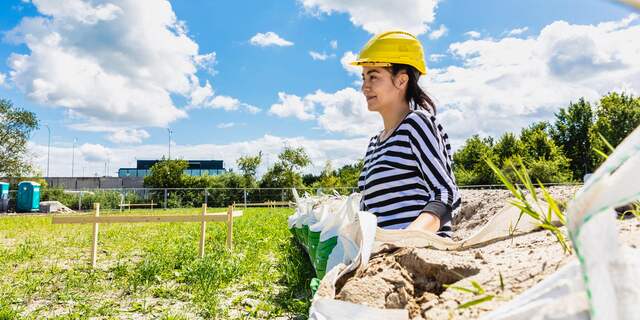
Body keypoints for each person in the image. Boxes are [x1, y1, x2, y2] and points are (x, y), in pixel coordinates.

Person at [353, 30, 460, 238]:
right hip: (381, 251)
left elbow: (446, 193)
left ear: (401, 81)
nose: (364, 86)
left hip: (416, 252)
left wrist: (407, 238)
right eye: (363, 77)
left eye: (373, 76)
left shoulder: (416, 124)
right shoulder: (374, 143)